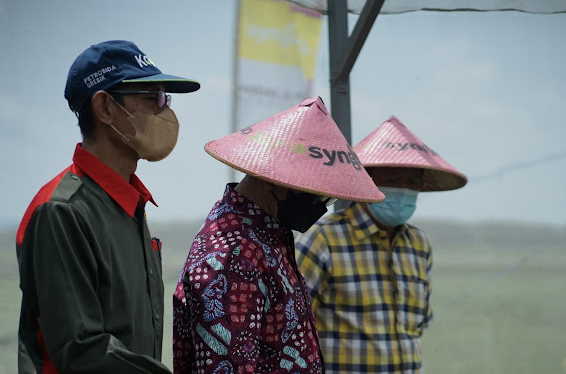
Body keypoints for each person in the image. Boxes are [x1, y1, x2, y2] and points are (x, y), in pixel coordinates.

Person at [15, 40, 200, 374]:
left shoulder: (130, 205)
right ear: (105, 109)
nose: (165, 112)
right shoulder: (63, 212)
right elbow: (81, 348)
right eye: (152, 99)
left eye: (165, 99)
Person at [172, 97, 384, 374]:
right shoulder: (234, 254)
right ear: (277, 183)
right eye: (316, 194)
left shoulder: (267, 238)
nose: (319, 207)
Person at [295, 116, 468, 373]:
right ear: (369, 180)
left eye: (411, 183)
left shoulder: (419, 245)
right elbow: (293, 327)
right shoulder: (323, 239)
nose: (402, 190)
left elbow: (415, 327)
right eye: (392, 179)